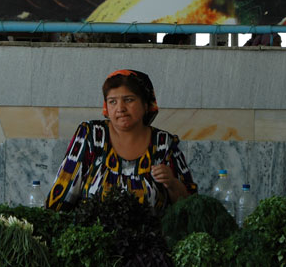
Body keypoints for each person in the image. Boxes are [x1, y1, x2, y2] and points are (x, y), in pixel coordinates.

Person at [46, 69, 197, 213]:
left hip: (151, 238)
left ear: (146, 105)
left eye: (129, 100)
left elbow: (190, 208)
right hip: (94, 236)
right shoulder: (91, 136)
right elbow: (62, 194)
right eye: (112, 102)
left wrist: (171, 183)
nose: (120, 108)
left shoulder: (164, 144)